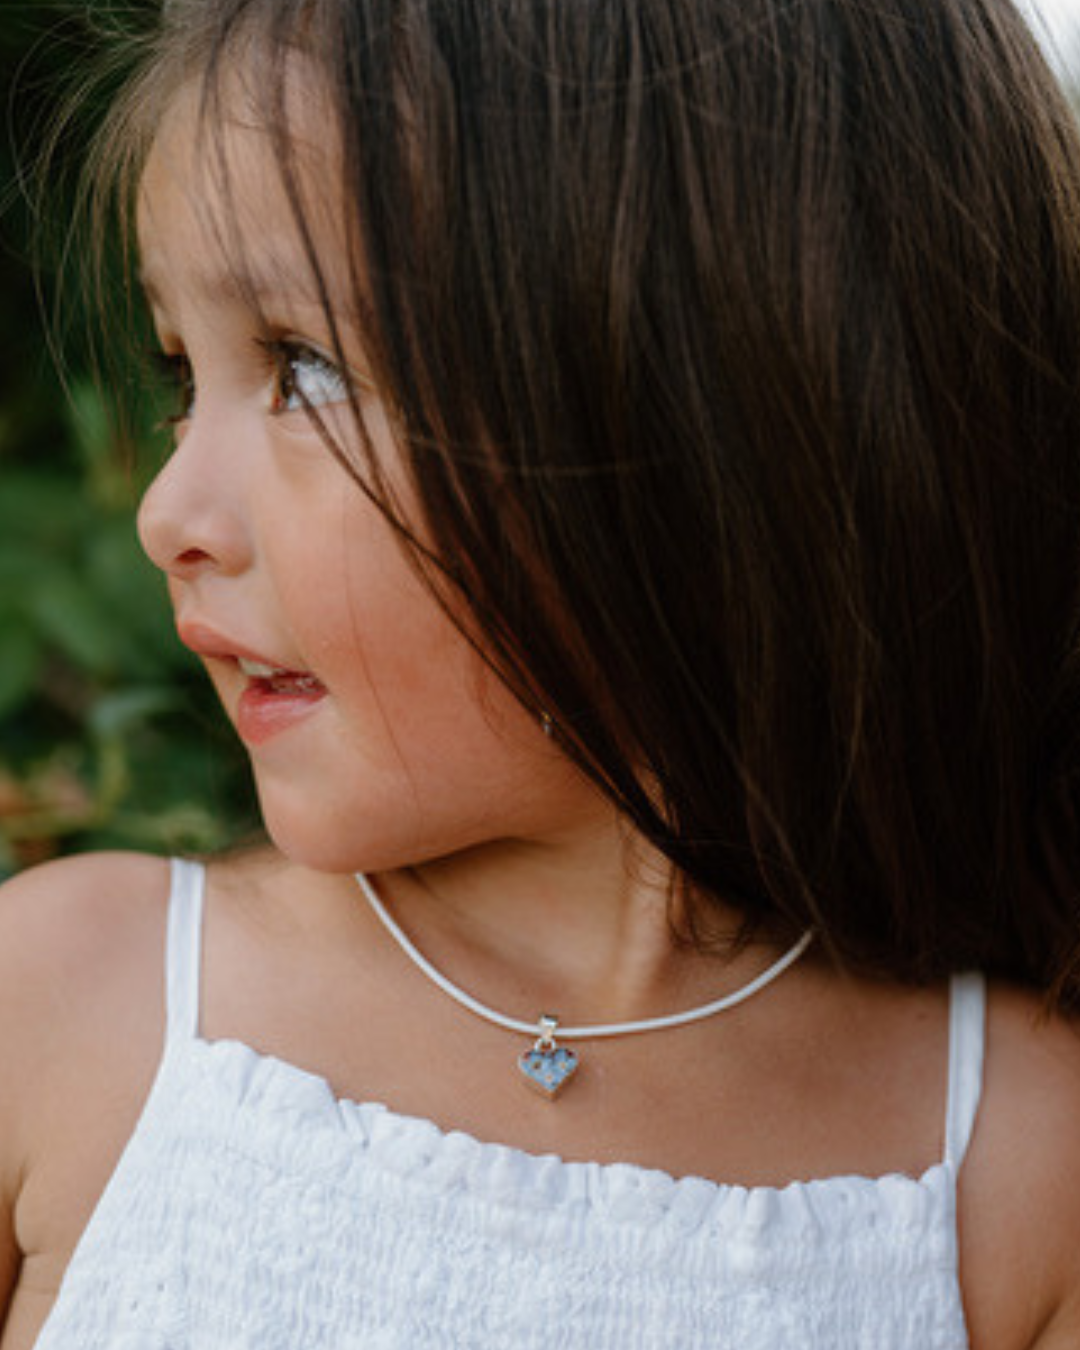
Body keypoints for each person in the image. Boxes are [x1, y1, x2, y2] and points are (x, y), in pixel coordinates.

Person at [4, 0, 1080, 1344]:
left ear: (716, 399)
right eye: (182, 372)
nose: (170, 510)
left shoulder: (1018, 1168)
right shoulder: (63, 1007)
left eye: (304, 367)